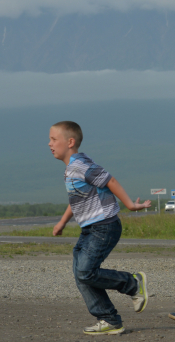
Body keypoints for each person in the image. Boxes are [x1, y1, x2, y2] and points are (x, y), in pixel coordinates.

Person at [49, 121, 151, 336]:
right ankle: (109, 319)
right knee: (81, 274)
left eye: (53, 139)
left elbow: (109, 180)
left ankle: (132, 283)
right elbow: (77, 199)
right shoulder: (71, 169)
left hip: (104, 226)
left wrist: (130, 205)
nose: (49, 144)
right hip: (90, 229)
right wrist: (62, 222)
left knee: (85, 272)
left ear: (70, 142)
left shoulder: (80, 165)